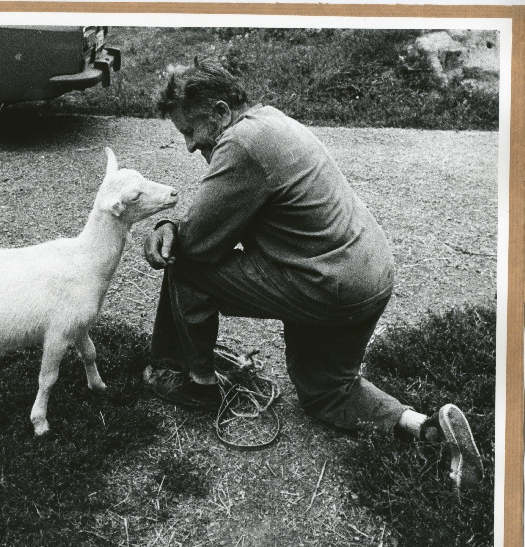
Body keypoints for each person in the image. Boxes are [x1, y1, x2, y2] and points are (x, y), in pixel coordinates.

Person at [142, 57, 483, 493]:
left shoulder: (242, 143)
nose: (189, 145)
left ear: (221, 112)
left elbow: (197, 244)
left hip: (326, 284)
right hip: (368, 276)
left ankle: (195, 381)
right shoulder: (269, 120)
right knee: (326, 392)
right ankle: (429, 428)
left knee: (182, 262)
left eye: (190, 130)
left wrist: (166, 227)